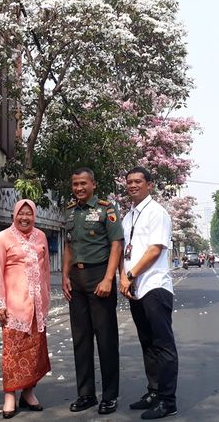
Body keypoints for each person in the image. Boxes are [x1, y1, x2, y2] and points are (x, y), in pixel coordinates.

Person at [63, 167, 123, 415]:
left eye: (83, 183)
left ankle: (110, 396)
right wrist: (65, 275)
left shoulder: (106, 209)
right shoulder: (69, 211)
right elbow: (68, 244)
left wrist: (110, 278)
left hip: (99, 277)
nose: (79, 188)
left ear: (93, 185)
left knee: (106, 339)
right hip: (76, 281)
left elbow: (116, 244)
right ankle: (86, 394)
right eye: (75, 184)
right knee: (81, 339)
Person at [119, 166, 178, 420]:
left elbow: (155, 250)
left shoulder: (157, 213)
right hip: (136, 289)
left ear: (149, 185)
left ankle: (168, 400)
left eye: (138, 181)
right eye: (129, 182)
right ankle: (153, 392)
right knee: (148, 343)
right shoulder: (128, 216)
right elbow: (125, 250)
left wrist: (130, 275)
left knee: (163, 345)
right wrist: (124, 276)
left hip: (155, 286)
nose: (133, 185)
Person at [0, 199, 51, 419]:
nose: (25, 217)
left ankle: (28, 393)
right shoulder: (3, 237)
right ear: (13, 215)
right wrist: (0, 304)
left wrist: (45, 301)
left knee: (35, 351)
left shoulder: (41, 236)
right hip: (14, 306)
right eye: (21, 213)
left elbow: (45, 271)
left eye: (29, 214)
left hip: (37, 307)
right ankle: (9, 395)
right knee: (12, 353)